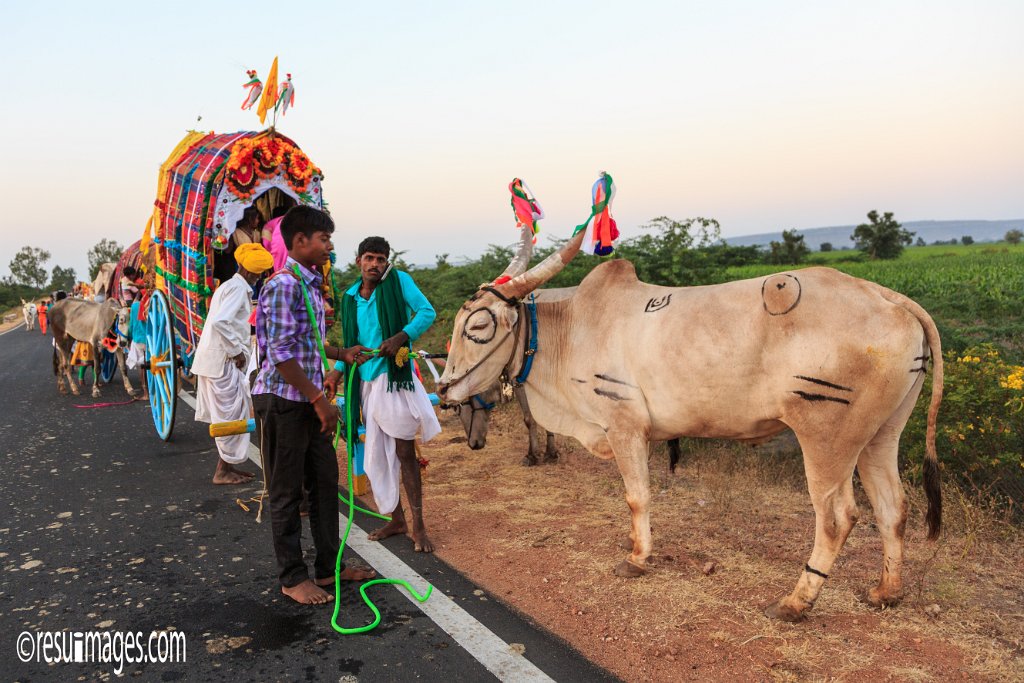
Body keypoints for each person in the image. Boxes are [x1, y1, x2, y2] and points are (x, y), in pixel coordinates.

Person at [252, 206, 376, 605]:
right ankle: (292, 578)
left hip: (306, 398)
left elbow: (309, 343)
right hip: (285, 401)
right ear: (300, 240)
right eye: (323, 239)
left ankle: (328, 569)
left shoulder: (307, 285)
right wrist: (320, 400)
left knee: (323, 485)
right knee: (286, 493)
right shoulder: (283, 285)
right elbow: (282, 354)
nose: (329, 246)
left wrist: (342, 351)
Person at [326, 236, 441, 553]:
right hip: (365, 383)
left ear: (387, 262)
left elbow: (426, 312)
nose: (375, 264)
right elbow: (351, 341)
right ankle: (397, 519)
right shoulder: (350, 296)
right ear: (359, 260)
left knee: (405, 452)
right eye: (369, 258)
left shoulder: (399, 281)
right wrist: (336, 372)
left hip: (394, 380)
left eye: (380, 259)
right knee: (377, 454)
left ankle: (419, 527)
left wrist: (402, 336)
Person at [193, 244, 273, 484]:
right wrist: (237, 351)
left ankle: (226, 467)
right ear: (251, 272)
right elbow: (221, 322)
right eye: (258, 273)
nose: (259, 277)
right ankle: (222, 471)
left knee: (230, 414)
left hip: (215, 360)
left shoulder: (229, 286)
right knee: (231, 416)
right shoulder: (238, 289)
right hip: (224, 362)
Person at [125, 294, 150, 401]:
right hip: (152, 340)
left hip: (138, 339)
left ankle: (145, 393)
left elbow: (131, 326)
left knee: (142, 367)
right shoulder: (151, 302)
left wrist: (128, 337)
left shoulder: (134, 306)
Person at [261, 205, 292, 272]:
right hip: (295, 259)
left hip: (278, 259)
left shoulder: (269, 225)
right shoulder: (294, 223)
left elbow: (266, 244)